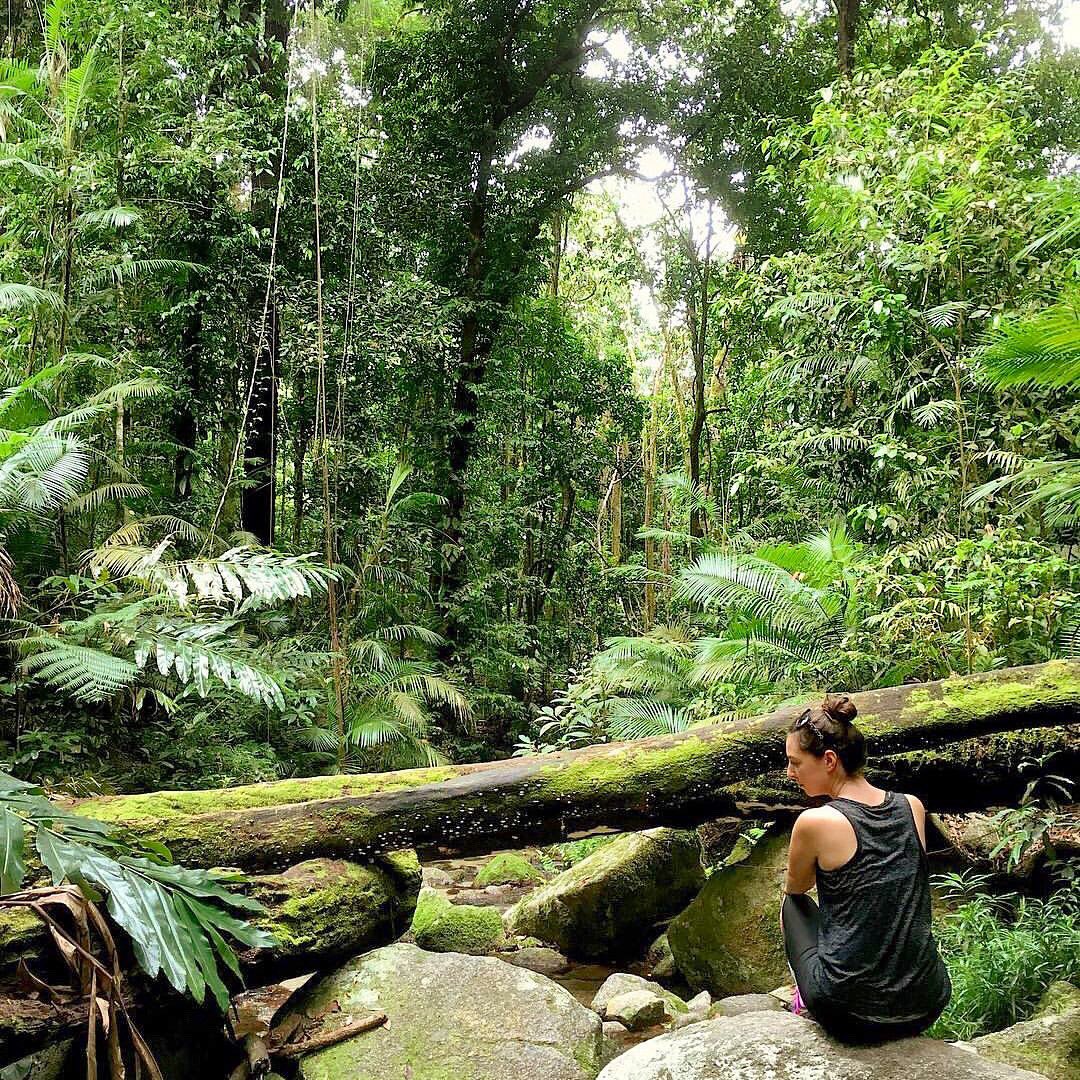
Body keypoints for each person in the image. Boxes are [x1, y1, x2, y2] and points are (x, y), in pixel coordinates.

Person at [780, 694, 951, 1044]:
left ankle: (805, 1000)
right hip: (927, 1002)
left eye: (795, 763)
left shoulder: (815, 822)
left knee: (793, 907)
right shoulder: (911, 806)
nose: (789, 773)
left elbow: (797, 888)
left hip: (850, 1016)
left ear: (829, 760)